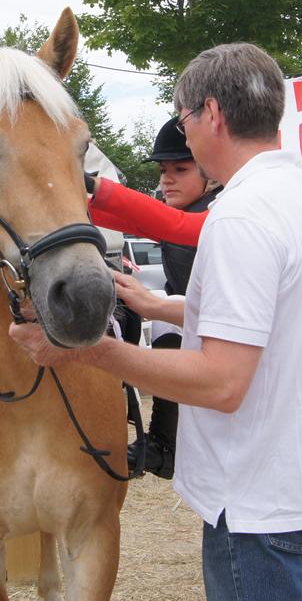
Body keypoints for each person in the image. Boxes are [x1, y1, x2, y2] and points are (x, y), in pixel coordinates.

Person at [11, 44, 302, 601]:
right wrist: (167, 307)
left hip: (258, 507)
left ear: (212, 115)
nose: (185, 133)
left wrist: (89, 348)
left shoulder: (241, 217)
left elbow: (222, 383)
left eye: (183, 119)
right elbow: (277, 319)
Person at [86, 116, 219, 479]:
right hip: (196, 318)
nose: (166, 179)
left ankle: (165, 442)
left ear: (211, 174)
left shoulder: (209, 215)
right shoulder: (190, 209)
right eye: (163, 170)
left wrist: (94, 188)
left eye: (180, 168)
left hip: (218, 339)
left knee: (160, 314)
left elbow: (157, 222)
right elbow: (141, 220)